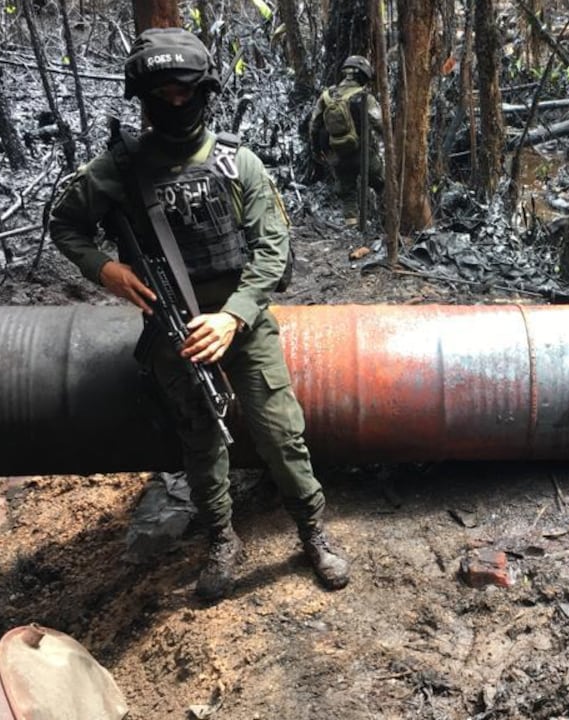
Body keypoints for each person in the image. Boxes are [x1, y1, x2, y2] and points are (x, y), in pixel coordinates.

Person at [49, 27, 350, 602]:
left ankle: (311, 530)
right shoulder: (118, 170)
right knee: (199, 437)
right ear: (144, 98)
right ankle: (220, 539)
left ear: (206, 91)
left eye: (187, 92)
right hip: (173, 329)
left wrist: (233, 317)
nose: (177, 103)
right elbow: (65, 224)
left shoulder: (239, 164)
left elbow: (273, 251)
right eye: (162, 93)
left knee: (279, 433)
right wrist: (105, 270)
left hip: (243, 323)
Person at [307, 55, 385, 221]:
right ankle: (387, 223)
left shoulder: (327, 96)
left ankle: (352, 230)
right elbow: (380, 124)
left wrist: (317, 151)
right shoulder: (365, 98)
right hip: (363, 153)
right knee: (382, 185)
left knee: (347, 194)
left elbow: (314, 125)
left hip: (337, 154)